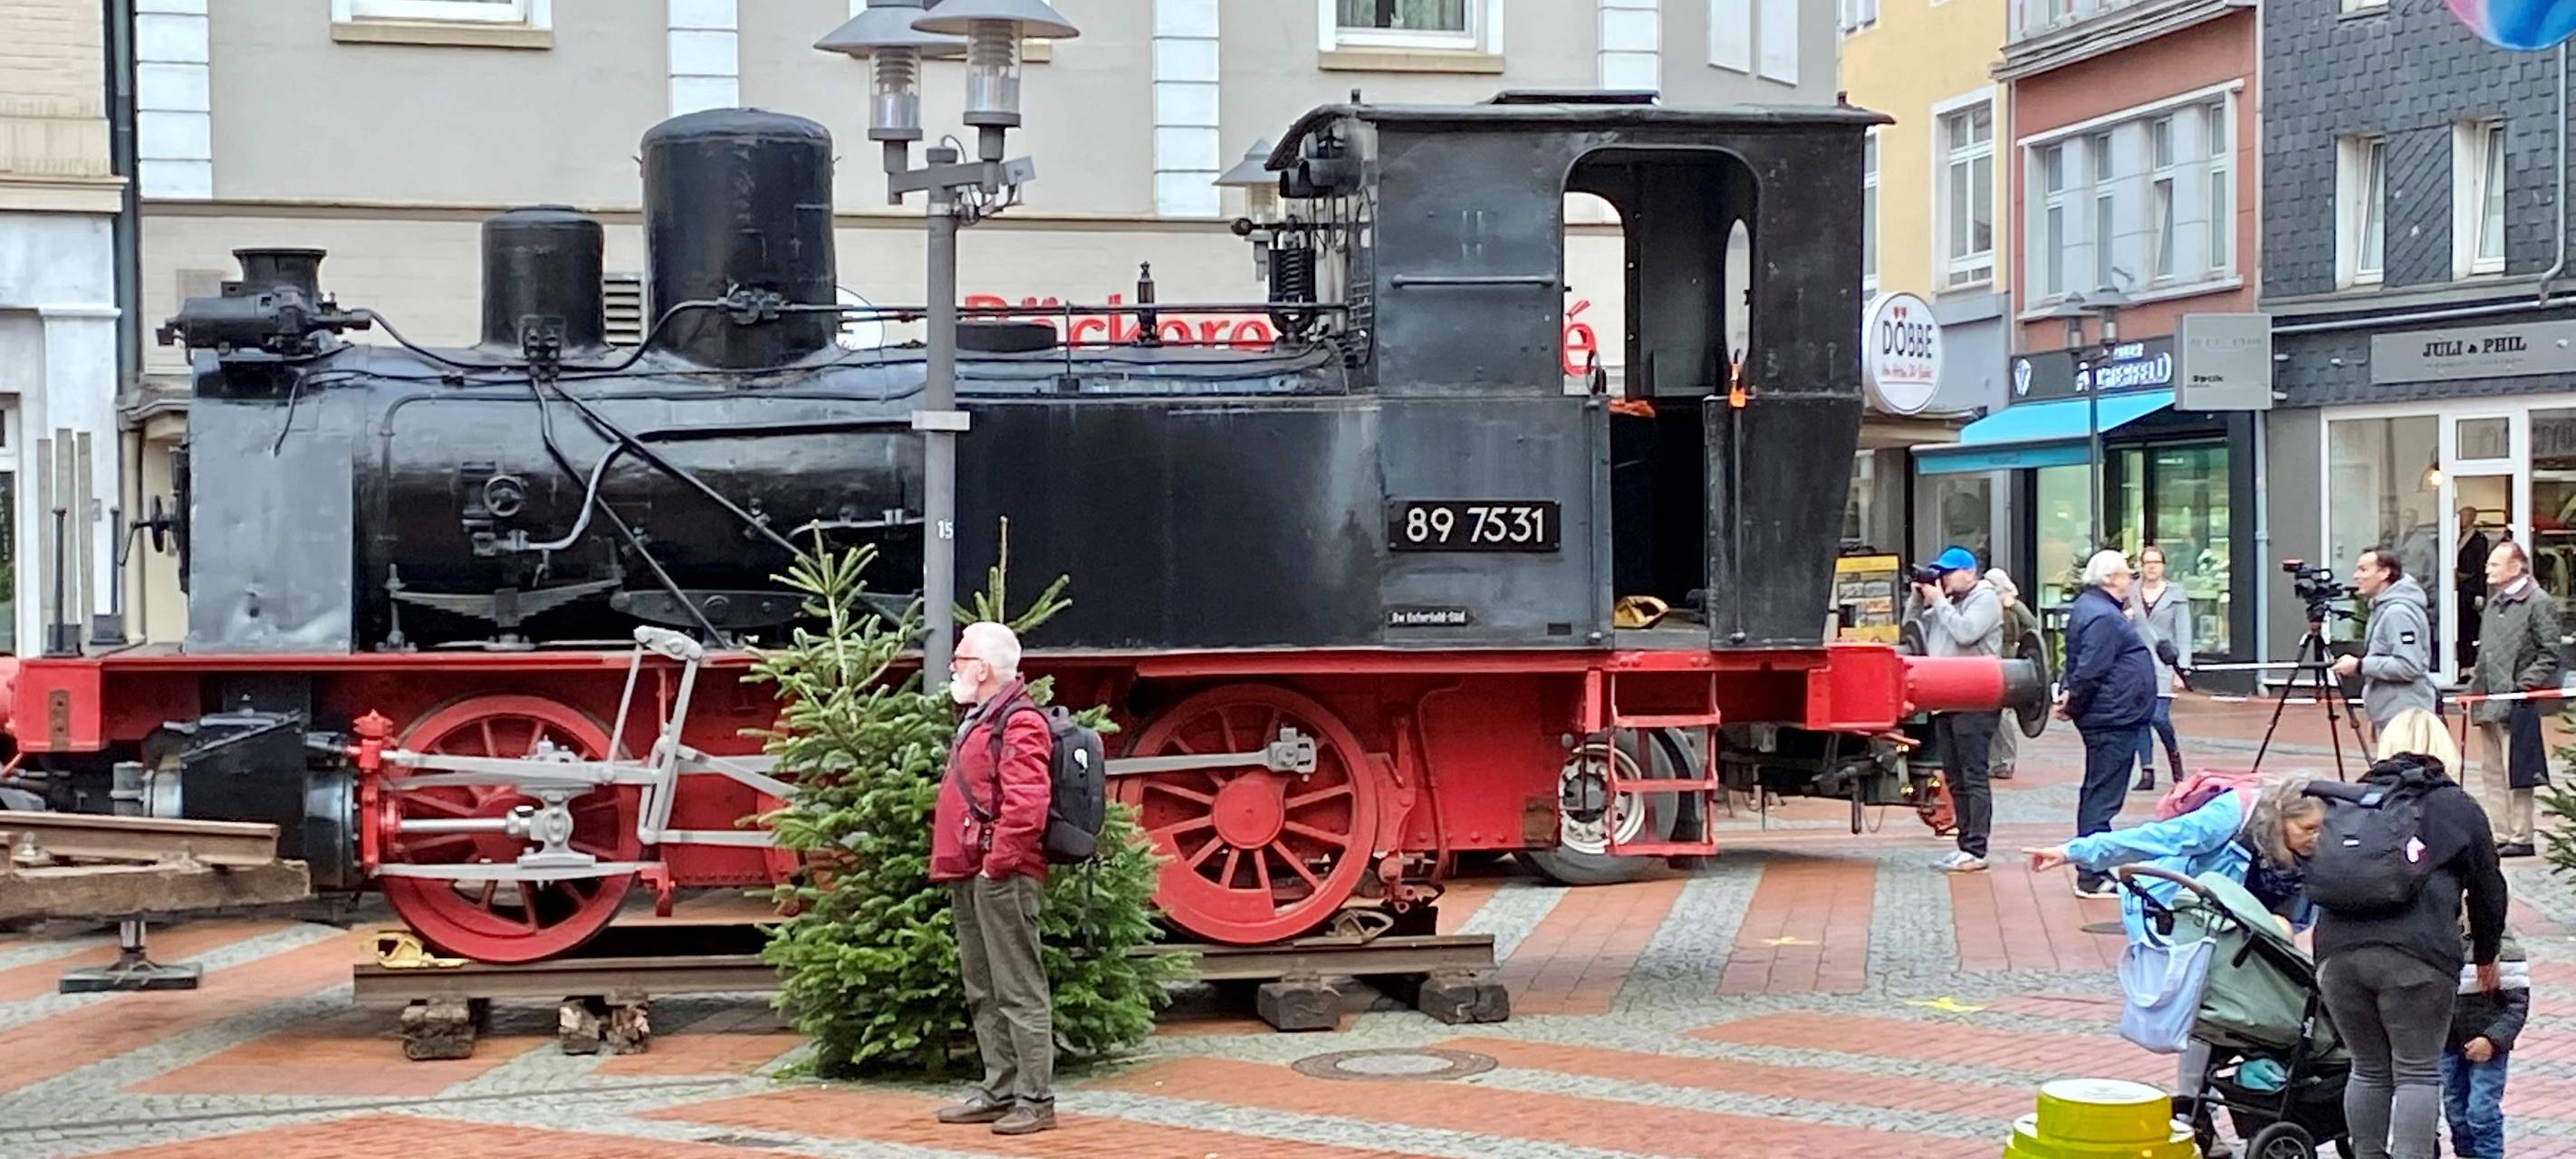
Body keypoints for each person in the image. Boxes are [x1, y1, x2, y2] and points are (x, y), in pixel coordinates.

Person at [2023, 773, 2323, 1152]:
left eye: (2323, 829)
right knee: (2204, 1008)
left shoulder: (2318, 846)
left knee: (2257, 1004)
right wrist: (2074, 852)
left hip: (2251, 923)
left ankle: (2230, 1100)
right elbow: (2160, 838)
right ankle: (2191, 1111)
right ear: (2281, 819)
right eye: (2308, 828)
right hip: (2186, 915)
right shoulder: (2235, 814)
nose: (2318, 837)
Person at [2312, 708, 2507, 1159]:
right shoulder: (2456, 805)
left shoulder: (2352, 798)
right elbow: (2488, 888)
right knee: (2417, 1072)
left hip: (2337, 954)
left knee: (2368, 1068)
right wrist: (2486, 952)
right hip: (2418, 957)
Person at [928, 622, 1059, 1135]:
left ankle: (1035, 1098)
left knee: (1018, 989)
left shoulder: (1019, 721)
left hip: (999, 874)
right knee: (984, 986)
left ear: (981, 669)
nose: (954, 667)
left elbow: (1028, 806)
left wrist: (996, 864)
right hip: (974, 870)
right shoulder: (984, 717)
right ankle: (1000, 1086)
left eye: (959, 659)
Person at [2058, 550, 2159, 899]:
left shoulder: (2096, 610)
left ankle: (2093, 867)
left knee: (2100, 792)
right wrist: (2074, 703)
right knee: (2102, 795)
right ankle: (2091, 873)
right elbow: (2090, 669)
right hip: (2111, 718)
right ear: (2110, 579)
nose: (2131, 579)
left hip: (2111, 714)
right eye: (2126, 574)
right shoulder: (2101, 615)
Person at [1913, 545, 2003, 873]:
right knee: (1955, 778)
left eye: (1949, 572)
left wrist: (1938, 602)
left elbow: (1966, 632)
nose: (1945, 579)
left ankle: (1977, 847)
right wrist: (1919, 597)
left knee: (1974, 775)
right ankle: (1964, 844)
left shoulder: (1985, 598)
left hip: (1976, 698)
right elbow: (1913, 631)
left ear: (1969, 572)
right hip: (1945, 698)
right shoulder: (1946, 602)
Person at [2469, 541, 2560, 858]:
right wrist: (2473, 691)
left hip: (2519, 700)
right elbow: (2485, 655)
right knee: (2491, 771)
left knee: (2518, 770)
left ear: (2516, 566)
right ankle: (2501, 832)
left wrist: (2524, 685)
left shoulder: (2538, 602)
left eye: (2494, 564)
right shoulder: (2495, 604)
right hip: (2490, 698)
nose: (2487, 569)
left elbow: (2550, 652)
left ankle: (2522, 835)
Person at [2441, 917, 2528, 1159]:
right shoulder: (2442, 944)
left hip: (2487, 1049)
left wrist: (2492, 1040)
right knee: (2455, 1109)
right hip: (2447, 1044)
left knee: (2481, 1111)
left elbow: (2516, 1008)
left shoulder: (2505, 951)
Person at [2334, 546, 2438, 733]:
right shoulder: (2381, 608)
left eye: (2364, 570)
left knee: (2406, 762)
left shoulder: (2397, 612)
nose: (2356, 576)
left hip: (2405, 716)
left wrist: (2360, 666)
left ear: (2384, 573)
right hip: (2393, 712)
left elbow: (2410, 665)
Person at [2127, 545, 2192, 792]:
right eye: (2147, 562)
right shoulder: (2132, 593)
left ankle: (2175, 761)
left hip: (2165, 663)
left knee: (2159, 717)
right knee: (2141, 718)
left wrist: (2181, 668)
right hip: (2138, 664)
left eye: (2156, 562)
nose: (2151, 567)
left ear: (2163, 566)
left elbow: (2184, 632)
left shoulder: (2176, 594)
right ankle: (2147, 771)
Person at [1988, 567, 2039, 781]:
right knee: (1991, 716)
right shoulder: (1985, 603)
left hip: (2008, 665)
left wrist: (2014, 606)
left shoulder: (2012, 605)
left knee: (2004, 717)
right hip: (1990, 663)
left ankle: (2005, 761)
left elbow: (2032, 625)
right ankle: (1993, 761)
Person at [2458, 507, 2491, 674]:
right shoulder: (2454, 537)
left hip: (2469, 589)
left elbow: (2479, 567)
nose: (2462, 519)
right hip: (2458, 590)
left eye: (2465, 516)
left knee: (2468, 626)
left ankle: (2468, 663)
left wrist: (2480, 592)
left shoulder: (2478, 539)